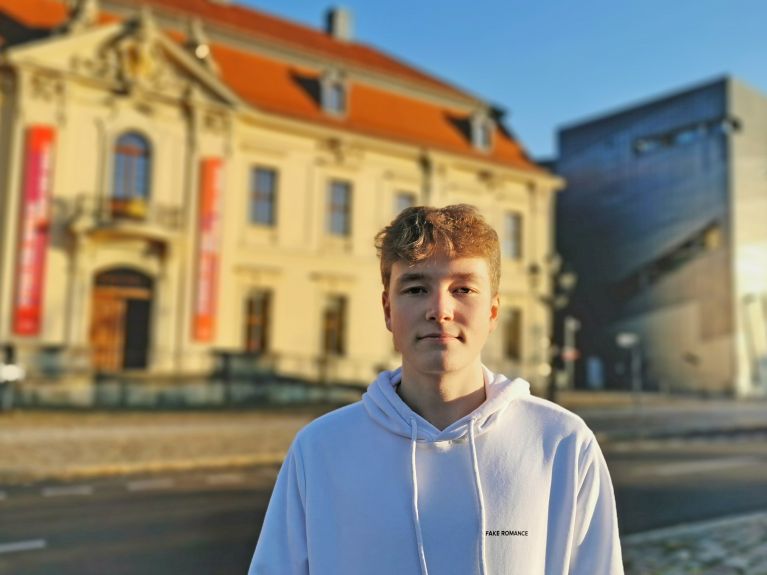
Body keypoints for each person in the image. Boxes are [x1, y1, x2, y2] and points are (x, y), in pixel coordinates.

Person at [249, 204, 623, 574]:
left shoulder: (561, 444)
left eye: (463, 288)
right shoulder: (320, 449)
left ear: (493, 312)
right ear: (387, 311)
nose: (439, 310)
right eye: (416, 289)